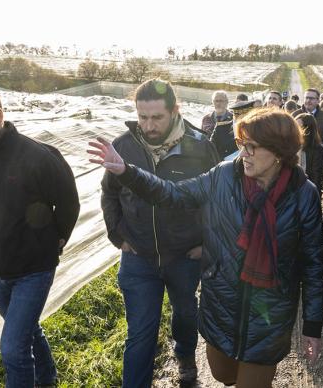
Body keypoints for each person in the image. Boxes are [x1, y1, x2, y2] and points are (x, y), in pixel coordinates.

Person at [88, 108, 323, 388]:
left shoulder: (303, 194)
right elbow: (171, 193)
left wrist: (312, 326)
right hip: (221, 306)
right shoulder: (223, 177)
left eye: (252, 146)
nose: (243, 153)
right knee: (222, 375)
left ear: (279, 152)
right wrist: (127, 172)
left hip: (269, 316)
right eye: (241, 144)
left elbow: (313, 264)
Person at [0, 78, 80, 387]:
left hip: (34, 268)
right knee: (27, 331)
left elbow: (68, 203)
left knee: (12, 348)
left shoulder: (39, 156)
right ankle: (47, 379)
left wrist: (54, 240)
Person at [100, 78, 219, 387]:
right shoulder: (123, 146)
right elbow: (109, 193)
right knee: (140, 332)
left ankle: (185, 356)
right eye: (142, 117)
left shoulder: (200, 146)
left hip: (184, 256)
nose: (148, 125)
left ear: (174, 111)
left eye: (156, 117)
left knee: (185, 314)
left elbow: (216, 199)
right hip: (139, 256)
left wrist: (206, 243)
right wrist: (118, 235)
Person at [295, 113, 323, 195]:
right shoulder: (291, 145)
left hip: (306, 192)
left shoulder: (317, 149)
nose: (295, 129)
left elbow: (317, 176)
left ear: (307, 129)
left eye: (298, 127)